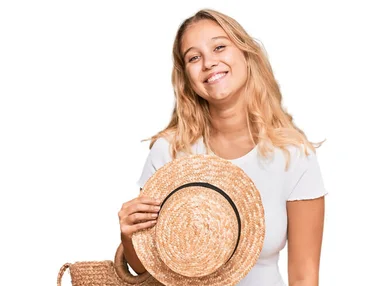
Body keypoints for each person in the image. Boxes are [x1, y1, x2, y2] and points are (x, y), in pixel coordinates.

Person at [117, 8, 327, 286]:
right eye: (194, 57)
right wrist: (129, 236)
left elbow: (304, 275)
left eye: (219, 47)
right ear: (186, 77)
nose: (209, 63)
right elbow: (146, 268)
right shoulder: (168, 152)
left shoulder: (294, 156)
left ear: (245, 54)